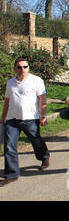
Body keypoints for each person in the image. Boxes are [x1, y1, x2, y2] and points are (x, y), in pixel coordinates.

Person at [0, 58, 50, 187]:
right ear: (15, 69)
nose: (22, 69)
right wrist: (2, 118)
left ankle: (44, 156)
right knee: (9, 146)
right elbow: (7, 102)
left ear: (28, 68)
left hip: (30, 118)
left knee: (36, 140)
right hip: (12, 119)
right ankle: (11, 174)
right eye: (19, 67)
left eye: (25, 67)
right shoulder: (10, 83)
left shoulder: (36, 81)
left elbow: (42, 98)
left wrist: (43, 115)